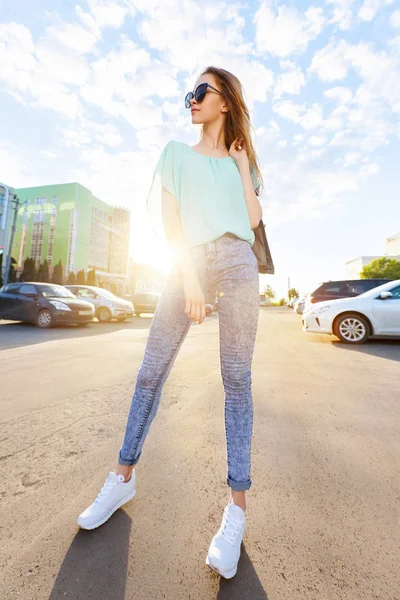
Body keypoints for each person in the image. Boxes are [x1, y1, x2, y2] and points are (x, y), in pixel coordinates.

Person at [77, 66, 263, 580]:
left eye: (201, 91)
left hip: (238, 261)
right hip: (190, 264)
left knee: (238, 381)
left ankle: (237, 511)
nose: (192, 99)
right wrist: (192, 280)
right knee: (150, 372)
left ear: (225, 100)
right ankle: (122, 476)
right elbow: (171, 225)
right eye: (190, 93)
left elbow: (250, 220)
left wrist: (243, 167)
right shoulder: (175, 155)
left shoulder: (237, 161)